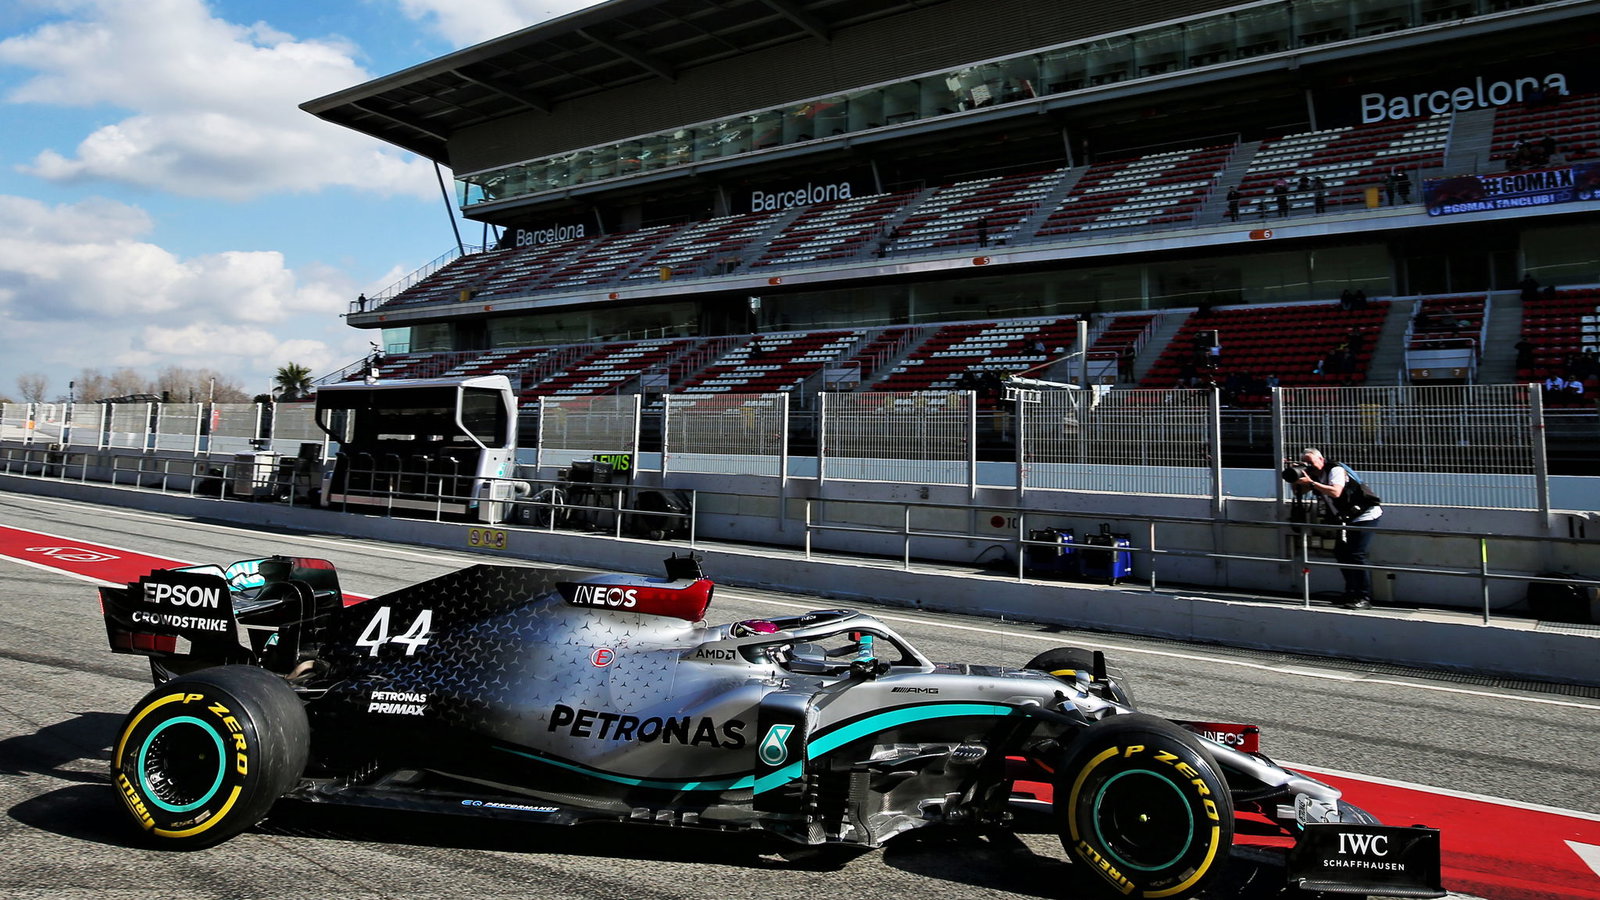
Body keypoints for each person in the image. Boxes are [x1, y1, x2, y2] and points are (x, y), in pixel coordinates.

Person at [1292, 448, 1382, 609]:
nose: (1309, 466)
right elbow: (1300, 491)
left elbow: (1336, 492)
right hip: (1345, 519)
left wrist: (1311, 483)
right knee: (1341, 553)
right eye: (1305, 463)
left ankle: (1364, 597)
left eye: (1311, 462)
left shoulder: (1335, 469)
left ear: (1321, 459)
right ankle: (1351, 593)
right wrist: (1296, 477)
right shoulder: (1315, 475)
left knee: (1356, 554)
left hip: (1364, 515)